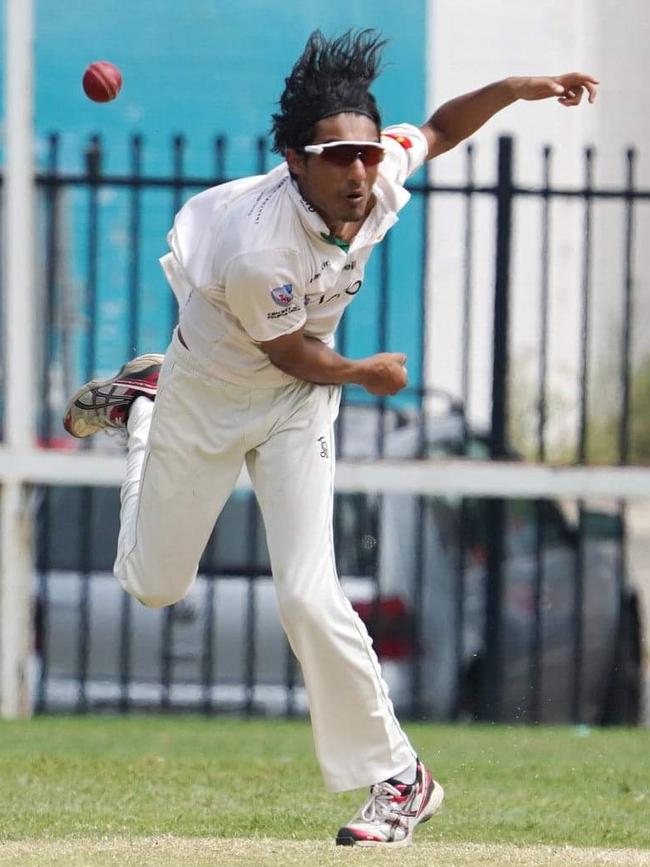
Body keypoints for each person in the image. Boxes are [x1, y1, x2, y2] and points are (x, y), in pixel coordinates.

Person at [63, 30, 598, 847]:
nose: (359, 173)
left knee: (308, 593)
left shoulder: (375, 176)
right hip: (212, 395)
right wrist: (363, 372)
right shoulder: (257, 246)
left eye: (366, 155)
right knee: (154, 584)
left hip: (294, 410)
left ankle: (400, 780)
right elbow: (293, 350)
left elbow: (443, 127)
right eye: (338, 157)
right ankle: (144, 405)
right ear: (293, 159)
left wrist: (522, 86)